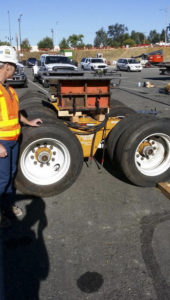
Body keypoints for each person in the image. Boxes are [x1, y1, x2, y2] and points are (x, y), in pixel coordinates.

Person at [0, 45, 42, 228]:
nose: (15, 71)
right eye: (14, 67)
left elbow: (15, 114)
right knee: (2, 179)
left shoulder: (8, 90)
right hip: (2, 143)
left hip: (13, 141)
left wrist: (29, 122)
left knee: (10, 175)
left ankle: (7, 206)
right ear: (7, 67)